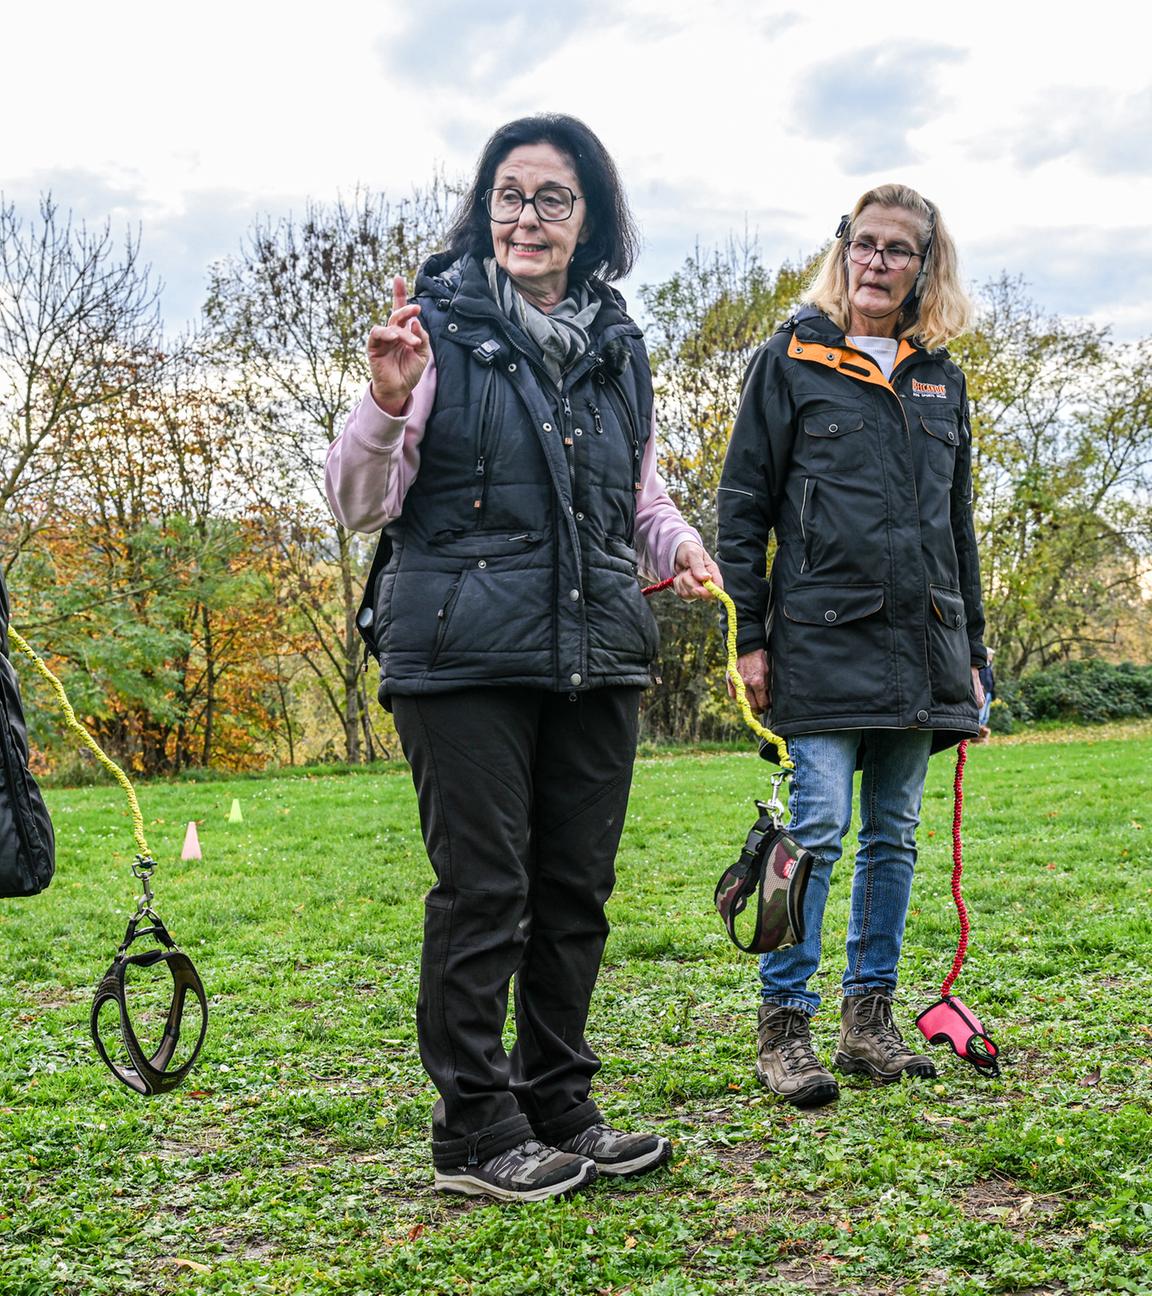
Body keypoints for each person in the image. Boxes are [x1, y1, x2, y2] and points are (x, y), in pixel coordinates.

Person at [326, 114, 721, 1200]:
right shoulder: (432, 330)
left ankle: (558, 1101)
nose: (526, 217)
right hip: (459, 654)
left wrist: (679, 544)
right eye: (509, 194)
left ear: (592, 220)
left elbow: (636, 494)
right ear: (483, 207)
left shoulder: (617, 344)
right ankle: (475, 1132)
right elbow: (361, 503)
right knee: (484, 891)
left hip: (595, 648)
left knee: (574, 890)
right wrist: (385, 400)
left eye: (552, 198)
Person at [716, 184, 987, 1108]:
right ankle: (783, 1025)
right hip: (818, 643)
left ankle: (870, 1020)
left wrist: (976, 655)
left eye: (897, 250)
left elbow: (958, 528)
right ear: (844, 251)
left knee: (895, 836)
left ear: (924, 266)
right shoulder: (788, 359)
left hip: (926, 646)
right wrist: (751, 633)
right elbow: (743, 504)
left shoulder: (940, 379)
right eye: (863, 244)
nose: (877, 263)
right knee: (819, 824)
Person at [976, 647, 996, 740]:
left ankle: (982, 735)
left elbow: (992, 680)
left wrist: (993, 693)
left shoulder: (989, 666)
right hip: (982, 692)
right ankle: (976, 734)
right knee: (980, 714)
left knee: (986, 715)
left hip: (989, 693)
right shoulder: (981, 665)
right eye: (991, 654)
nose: (992, 656)